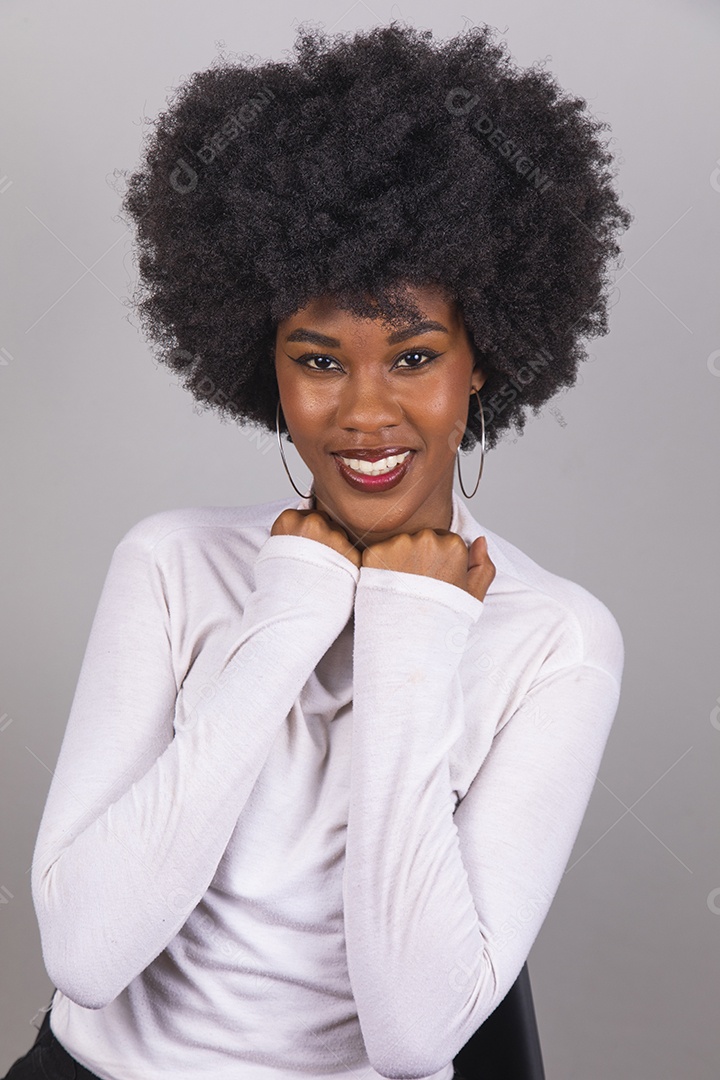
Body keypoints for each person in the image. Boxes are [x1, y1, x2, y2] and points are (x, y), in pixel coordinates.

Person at [5, 20, 632, 1080]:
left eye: (415, 357)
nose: (366, 413)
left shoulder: (557, 641)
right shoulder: (171, 566)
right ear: (269, 365)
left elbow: (415, 1036)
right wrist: (294, 607)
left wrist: (412, 629)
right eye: (319, 360)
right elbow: (85, 954)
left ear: (482, 359)